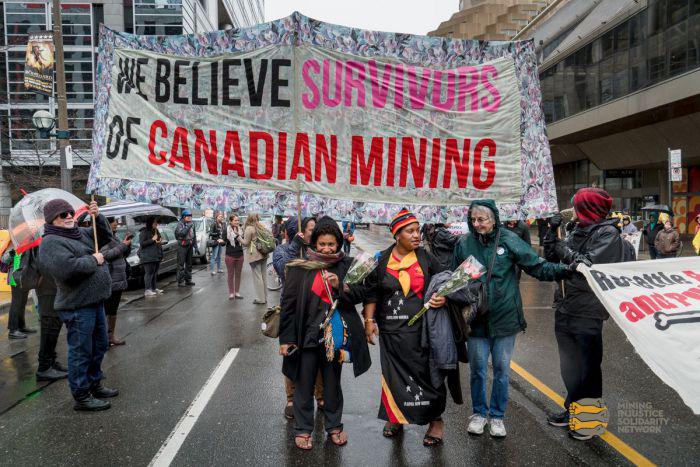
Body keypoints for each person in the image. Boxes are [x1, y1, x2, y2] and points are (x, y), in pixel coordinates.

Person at [452, 200, 573, 438]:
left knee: (501, 370)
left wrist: (565, 269)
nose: (477, 224)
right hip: (476, 320)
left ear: (494, 219)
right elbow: (453, 277)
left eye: (482, 219)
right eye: (473, 219)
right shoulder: (464, 243)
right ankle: (478, 413)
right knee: (477, 369)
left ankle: (497, 416)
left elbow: (536, 266)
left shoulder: (508, 239)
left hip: (505, 319)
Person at [279, 218, 370, 450]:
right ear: (314, 243)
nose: (327, 249)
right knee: (303, 384)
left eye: (332, 244)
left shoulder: (347, 266)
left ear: (338, 243)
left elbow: (360, 294)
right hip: (306, 336)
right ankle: (303, 429)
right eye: (322, 244)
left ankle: (334, 426)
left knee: (332, 385)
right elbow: (288, 305)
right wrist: (286, 339)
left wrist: (341, 285)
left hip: (334, 339)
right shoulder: (300, 267)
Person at [362, 209, 450, 447]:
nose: (416, 235)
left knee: (428, 376)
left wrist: (443, 297)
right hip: (391, 334)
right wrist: (369, 322)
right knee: (393, 378)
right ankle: (395, 418)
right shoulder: (381, 260)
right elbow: (371, 293)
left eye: (417, 230)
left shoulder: (425, 257)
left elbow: (444, 281)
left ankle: (435, 421)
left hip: (421, 333)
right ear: (396, 234)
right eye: (410, 231)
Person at [544, 187, 624, 441]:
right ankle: (573, 410)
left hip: (588, 312)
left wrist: (562, 249)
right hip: (565, 308)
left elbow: (585, 266)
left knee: (587, 369)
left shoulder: (608, 234)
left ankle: (588, 423)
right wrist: (549, 232)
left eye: (578, 207)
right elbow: (551, 258)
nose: (574, 212)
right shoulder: (575, 229)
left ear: (590, 209)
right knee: (569, 367)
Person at [37, 199, 118, 411]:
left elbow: (105, 238)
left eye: (70, 213)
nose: (69, 217)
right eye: (63, 215)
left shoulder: (79, 233)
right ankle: (81, 395)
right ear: (52, 219)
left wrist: (97, 216)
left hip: (95, 301)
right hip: (77, 306)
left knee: (99, 346)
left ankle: (94, 384)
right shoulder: (51, 242)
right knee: (81, 352)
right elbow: (67, 269)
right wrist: (95, 260)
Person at [272, 216, 323, 420]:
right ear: (297, 231)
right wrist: (295, 246)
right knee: (291, 353)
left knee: (318, 352)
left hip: (315, 309)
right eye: (311, 229)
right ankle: (291, 398)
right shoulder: (283, 250)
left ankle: (320, 395)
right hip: (292, 310)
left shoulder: (318, 250)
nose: (314, 231)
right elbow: (282, 268)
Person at [35, 252, 67, 381]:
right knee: (49, 327)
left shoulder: (41, 241)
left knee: (54, 325)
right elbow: (42, 266)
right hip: (46, 289)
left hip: (51, 288)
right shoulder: (31, 243)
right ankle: (44, 368)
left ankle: (51, 362)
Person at [100, 217, 132, 346]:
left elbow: (122, 254)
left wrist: (127, 244)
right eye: (113, 225)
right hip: (110, 279)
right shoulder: (102, 238)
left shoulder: (114, 237)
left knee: (113, 311)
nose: (116, 227)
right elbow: (105, 255)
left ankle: (111, 337)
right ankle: (104, 339)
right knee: (107, 310)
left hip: (119, 278)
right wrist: (123, 245)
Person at [6, 248, 37, 339]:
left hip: (25, 277)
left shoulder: (29, 245)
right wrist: (12, 253)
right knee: (16, 304)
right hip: (15, 277)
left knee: (22, 303)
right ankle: (13, 330)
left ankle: (21, 326)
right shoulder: (14, 244)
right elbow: (4, 259)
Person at [241, 213, 268, 305]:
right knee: (263, 276)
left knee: (257, 277)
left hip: (255, 255)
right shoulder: (262, 226)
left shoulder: (249, 228)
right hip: (264, 253)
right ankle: (265, 297)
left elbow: (245, 243)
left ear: (248, 218)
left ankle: (260, 299)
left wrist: (238, 237)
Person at [139, 216, 164, 297]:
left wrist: (159, 240)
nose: (156, 224)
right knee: (149, 273)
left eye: (156, 222)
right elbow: (142, 244)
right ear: (150, 223)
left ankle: (153, 288)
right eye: (155, 222)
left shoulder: (155, 231)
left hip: (156, 256)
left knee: (154, 273)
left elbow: (157, 240)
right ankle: (147, 289)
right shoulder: (144, 232)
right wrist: (152, 240)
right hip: (148, 257)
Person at [223, 215, 244, 299]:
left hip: (240, 254)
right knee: (230, 274)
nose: (237, 222)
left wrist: (238, 234)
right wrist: (221, 242)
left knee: (238, 274)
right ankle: (231, 293)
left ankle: (237, 292)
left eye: (238, 220)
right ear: (230, 221)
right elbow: (224, 241)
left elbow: (243, 239)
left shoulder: (241, 229)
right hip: (230, 255)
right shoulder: (226, 230)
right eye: (235, 220)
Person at [175, 210, 197, 287]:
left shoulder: (191, 223)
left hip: (189, 245)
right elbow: (181, 233)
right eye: (188, 216)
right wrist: (188, 226)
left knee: (189, 264)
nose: (190, 218)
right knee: (181, 264)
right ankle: (180, 281)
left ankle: (188, 280)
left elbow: (194, 236)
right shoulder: (180, 224)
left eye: (190, 216)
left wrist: (195, 246)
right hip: (182, 246)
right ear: (184, 217)